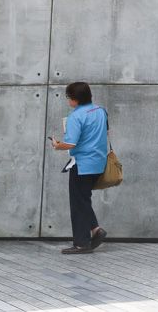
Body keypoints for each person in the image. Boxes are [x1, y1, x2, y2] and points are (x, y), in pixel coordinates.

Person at [49, 82, 109, 254]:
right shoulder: (100, 111)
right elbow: (106, 133)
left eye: (69, 97)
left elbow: (70, 143)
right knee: (83, 200)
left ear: (75, 99)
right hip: (98, 162)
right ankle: (96, 230)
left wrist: (56, 145)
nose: (68, 101)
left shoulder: (76, 116)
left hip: (82, 164)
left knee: (78, 203)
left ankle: (82, 243)